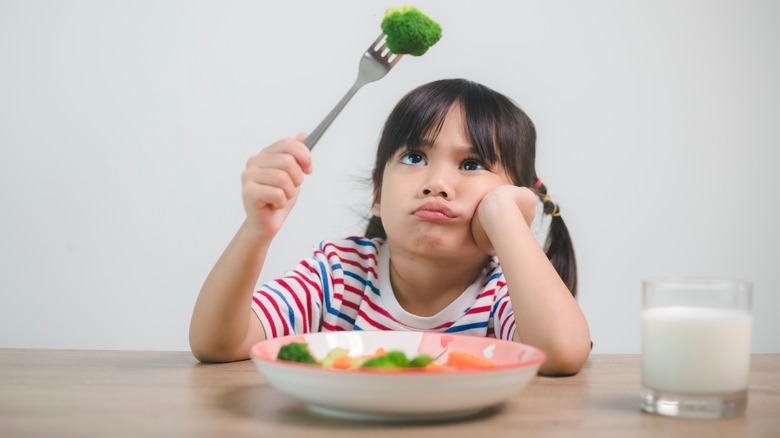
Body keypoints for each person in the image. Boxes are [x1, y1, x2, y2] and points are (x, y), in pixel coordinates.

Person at [189, 78, 591, 375]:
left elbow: (561, 353)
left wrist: (506, 218)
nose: (437, 183)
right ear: (378, 193)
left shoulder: (504, 293)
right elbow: (218, 343)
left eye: (472, 165)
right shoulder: (339, 274)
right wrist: (257, 231)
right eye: (415, 157)